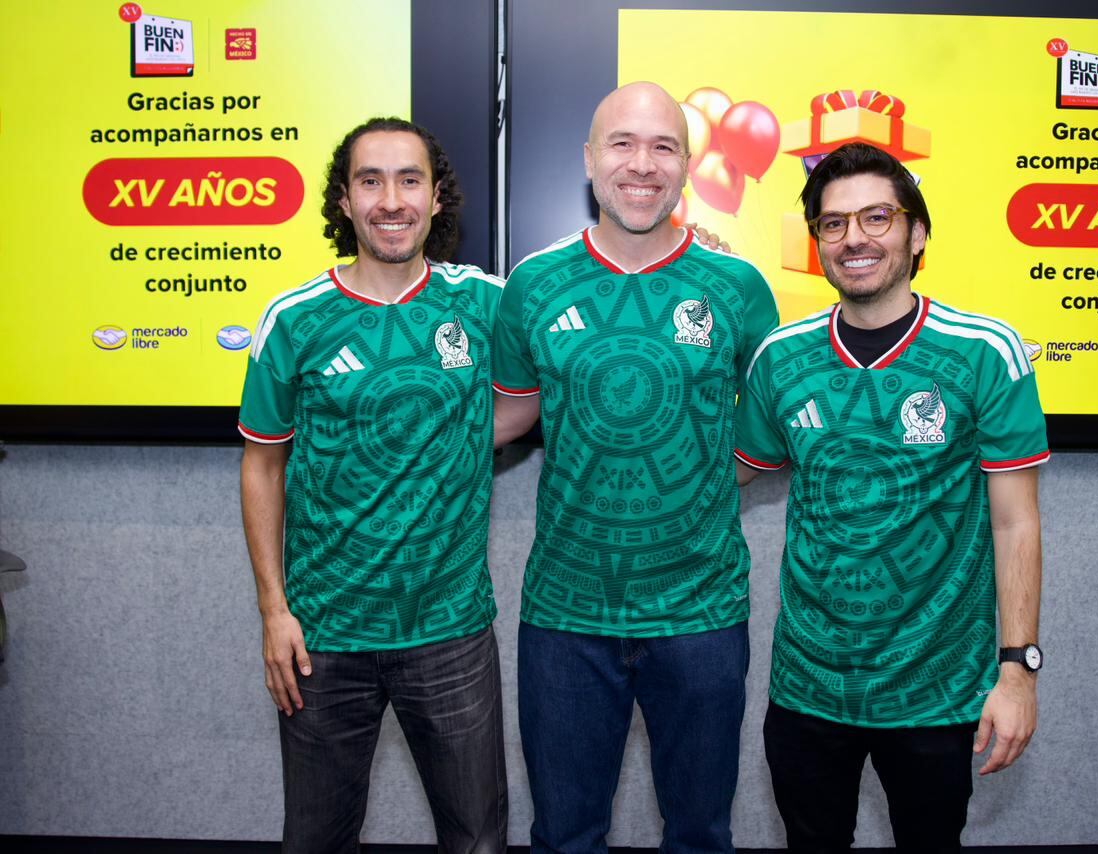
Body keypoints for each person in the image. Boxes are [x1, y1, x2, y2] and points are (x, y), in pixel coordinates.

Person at [490, 81, 779, 854]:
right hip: (566, 617)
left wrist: (707, 480)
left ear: (685, 164)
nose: (642, 164)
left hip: (701, 614)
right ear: (589, 161)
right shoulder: (533, 285)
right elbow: (506, 414)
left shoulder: (739, 287)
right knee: (565, 836)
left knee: (700, 834)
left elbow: (776, 415)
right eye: (622, 144)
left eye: (663, 146)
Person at [734, 142, 1048, 850]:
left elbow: (1016, 523)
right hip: (809, 687)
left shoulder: (984, 351)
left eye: (877, 217)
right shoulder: (781, 357)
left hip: (937, 689)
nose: (855, 238)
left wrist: (1018, 673)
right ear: (817, 242)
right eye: (834, 223)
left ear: (918, 233)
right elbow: (729, 471)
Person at [238, 117, 507, 854]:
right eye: (370, 181)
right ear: (345, 201)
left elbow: (582, 319)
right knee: (315, 842)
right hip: (323, 638)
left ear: (436, 198)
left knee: (478, 841)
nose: (392, 200)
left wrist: (685, 254)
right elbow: (262, 465)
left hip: (450, 632)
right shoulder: (294, 320)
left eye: (409, 180)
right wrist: (273, 612)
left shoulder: (484, 303)